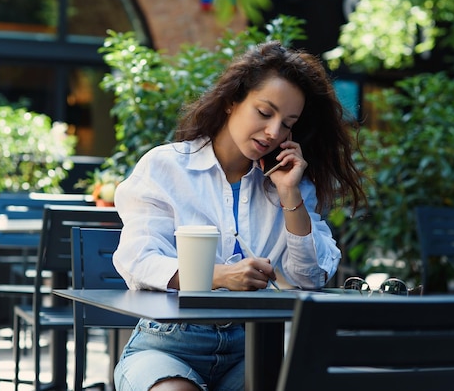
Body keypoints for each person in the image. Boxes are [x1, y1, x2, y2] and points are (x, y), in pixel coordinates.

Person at [112, 40, 366, 391]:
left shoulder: (286, 184)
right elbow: (137, 260)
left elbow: (310, 279)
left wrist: (290, 195)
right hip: (168, 345)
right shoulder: (166, 167)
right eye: (265, 113)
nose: (273, 132)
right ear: (233, 101)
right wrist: (218, 276)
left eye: (287, 123)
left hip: (251, 346)